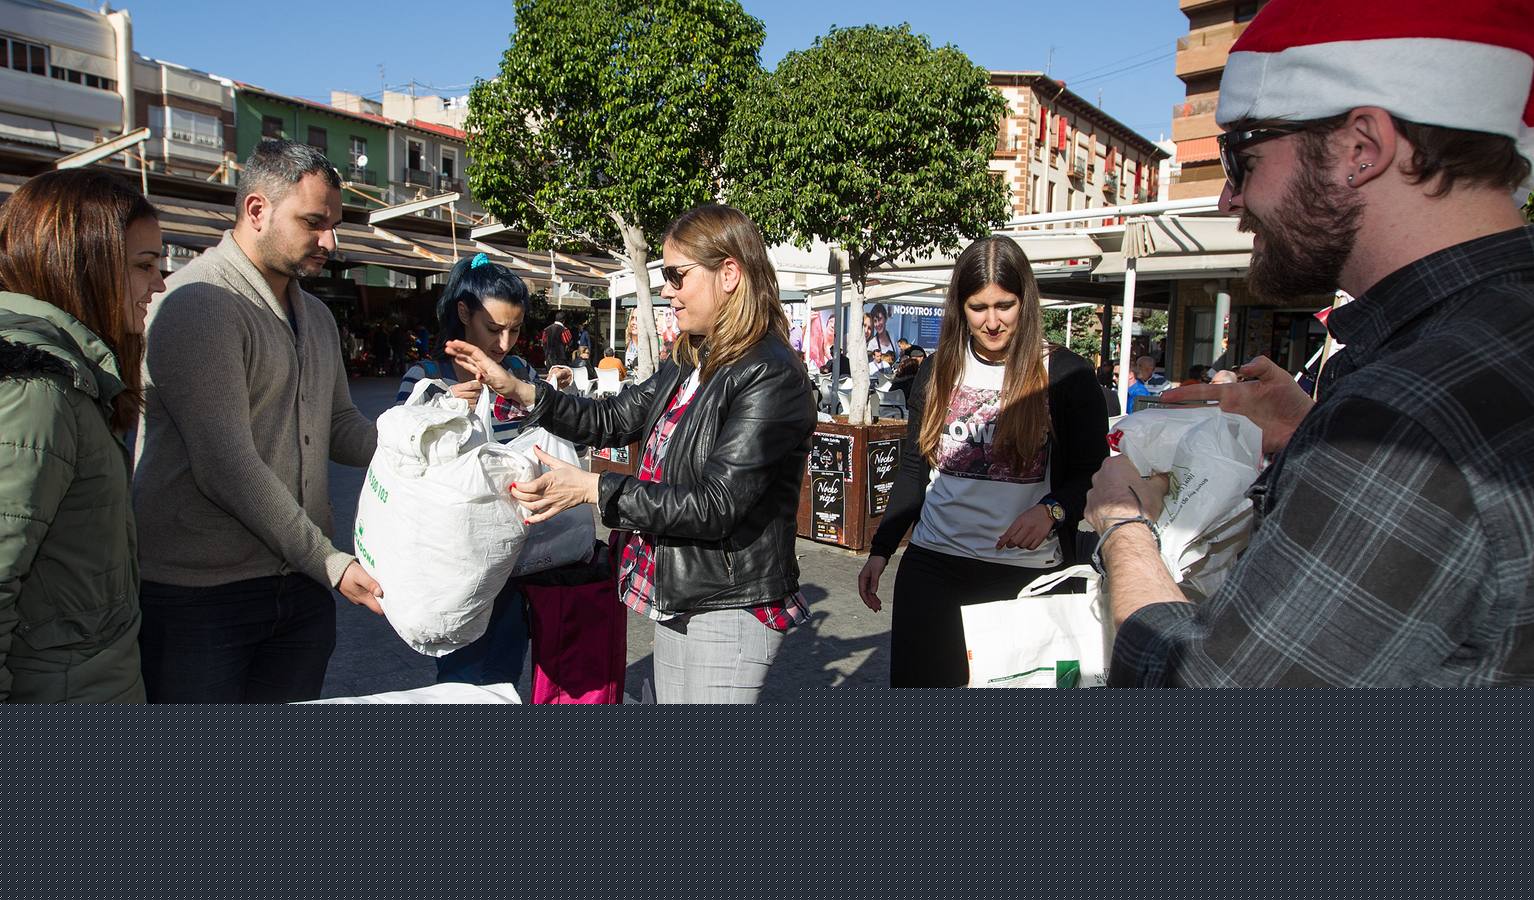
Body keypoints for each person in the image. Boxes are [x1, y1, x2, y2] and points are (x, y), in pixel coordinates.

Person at [1084, 0, 1534, 687]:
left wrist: (1123, 526)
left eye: (1243, 157)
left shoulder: (1404, 414)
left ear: (1361, 148)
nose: (1228, 200)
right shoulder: (1489, 342)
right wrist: (1311, 435)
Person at [446, 203, 816, 703]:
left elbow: (716, 505)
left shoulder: (769, 372)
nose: (667, 290)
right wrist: (519, 389)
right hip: (681, 590)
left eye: (677, 275)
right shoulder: (692, 357)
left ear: (729, 273)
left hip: (729, 601)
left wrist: (593, 489)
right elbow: (613, 419)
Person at [134, 139, 382, 703]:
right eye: (314, 222)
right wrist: (330, 562)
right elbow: (225, 465)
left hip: (298, 588)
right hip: (201, 598)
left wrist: (419, 444)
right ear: (256, 210)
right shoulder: (199, 303)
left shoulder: (316, 316)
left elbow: (339, 423)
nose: (330, 242)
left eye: (334, 225)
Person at [857, 236, 1109, 687]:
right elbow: (914, 467)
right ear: (960, 307)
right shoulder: (937, 369)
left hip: (1026, 579)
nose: (992, 322)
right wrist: (881, 550)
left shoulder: (1066, 374)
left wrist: (1052, 510)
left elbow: (1095, 472)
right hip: (933, 570)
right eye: (978, 308)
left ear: (1025, 301)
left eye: (1004, 306)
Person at [0, 170, 164, 703]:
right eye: (143, 265)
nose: (159, 285)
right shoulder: (34, 392)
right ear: (82, 265)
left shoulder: (68, 378)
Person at [396, 253, 536, 684]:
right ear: (463, 313)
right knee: (462, 675)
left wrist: (545, 396)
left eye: (515, 329)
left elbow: (545, 443)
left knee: (504, 671)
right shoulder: (426, 377)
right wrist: (442, 411)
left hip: (516, 553)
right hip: (454, 555)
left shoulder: (519, 372)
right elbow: (400, 455)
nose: (505, 343)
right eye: (493, 329)